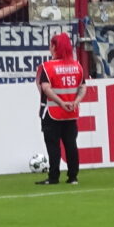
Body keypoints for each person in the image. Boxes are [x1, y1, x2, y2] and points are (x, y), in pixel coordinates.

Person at [34, 31, 83, 185]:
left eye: (50, 45)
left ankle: (54, 176)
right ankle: (73, 176)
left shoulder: (48, 67)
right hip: (71, 113)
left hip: (52, 112)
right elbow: (83, 87)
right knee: (71, 144)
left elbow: (45, 88)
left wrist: (60, 102)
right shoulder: (77, 66)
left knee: (53, 145)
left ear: (54, 47)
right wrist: (76, 101)